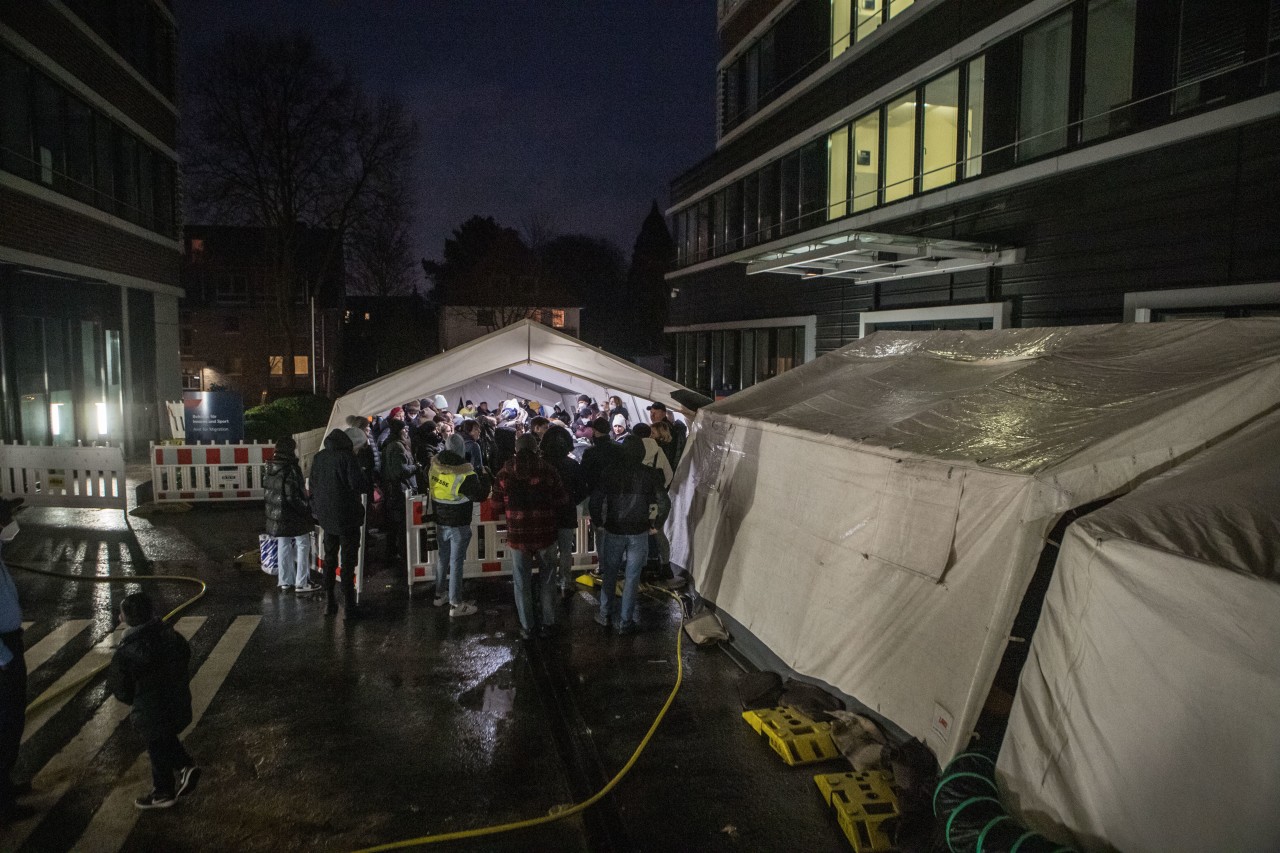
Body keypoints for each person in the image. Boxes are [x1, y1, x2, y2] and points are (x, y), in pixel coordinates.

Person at [108, 592, 200, 810]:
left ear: (125, 618)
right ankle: (174, 780)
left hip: (150, 709)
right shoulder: (171, 637)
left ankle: (170, 783)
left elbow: (121, 688)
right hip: (177, 702)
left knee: (157, 746)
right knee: (163, 740)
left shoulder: (128, 651)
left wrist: (136, 699)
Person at [490, 434, 568, 639]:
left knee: (521, 583)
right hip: (546, 534)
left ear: (516, 449)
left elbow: (496, 504)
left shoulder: (504, 473)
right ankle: (549, 622)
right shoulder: (548, 470)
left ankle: (527, 626)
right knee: (548, 580)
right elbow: (562, 499)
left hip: (518, 536)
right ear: (536, 448)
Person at [590, 435, 661, 634]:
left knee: (610, 573)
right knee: (632, 577)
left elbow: (595, 500)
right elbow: (662, 502)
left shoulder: (610, 472)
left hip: (614, 530)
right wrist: (656, 524)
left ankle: (604, 615)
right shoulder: (650, 474)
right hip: (639, 532)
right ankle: (625, 622)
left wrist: (598, 522)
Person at [427, 434, 491, 617]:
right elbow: (480, 495)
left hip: (440, 520)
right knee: (456, 563)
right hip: (459, 522)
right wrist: (486, 478)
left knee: (443, 558)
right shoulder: (465, 473)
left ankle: (440, 595)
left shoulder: (434, 466)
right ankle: (456, 603)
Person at [309, 428, 369, 620]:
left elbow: (313, 485)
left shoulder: (319, 457)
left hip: (327, 516)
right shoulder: (347, 457)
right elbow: (357, 484)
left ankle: (330, 602)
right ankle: (350, 606)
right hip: (347, 516)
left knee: (329, 558)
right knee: (348, 561)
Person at [0, 499, 33, 823]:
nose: (9, 525)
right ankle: (2, 804)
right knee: (4, 724)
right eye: (5, 519)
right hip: (2, 655)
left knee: (12, 723)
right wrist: (3, 657)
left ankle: (5, 785)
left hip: (10, 644)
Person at [263, 436, 319, 594]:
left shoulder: (270, 467)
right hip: (292, 514)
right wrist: (305, 508)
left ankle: (285, 581)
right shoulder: (291, 468)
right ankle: (302, 582)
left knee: (283, 544)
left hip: (277, 515)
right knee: (303, 543)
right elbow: (292, 496)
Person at [540, 426, 589, 599]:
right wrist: (571, 502)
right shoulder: (572, 464)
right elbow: (583, 490)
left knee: (549, 550)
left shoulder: (542, 465)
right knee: (566, 550)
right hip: (567, 513)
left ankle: (549, 582)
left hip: (546, 514)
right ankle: (565, 582)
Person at [380, 418, 420, 567]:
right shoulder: (397, 447)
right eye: (404, 429)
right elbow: (400, 471)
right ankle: (403, 555)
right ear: (398, 431)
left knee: (395, 524)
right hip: (400, 490)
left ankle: (394, 553)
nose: (407, 431)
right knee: (402, 524)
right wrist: (416, 467)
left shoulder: (392, 445)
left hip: (396, 490)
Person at [647, 402, 688, 467]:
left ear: (664, 414)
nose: (652, 416)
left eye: (655, 413)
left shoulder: (664, 428)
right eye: (651, 412)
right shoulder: (667, 425)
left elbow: (667, 452)